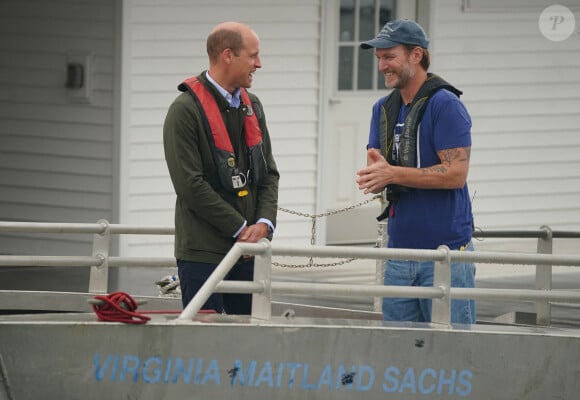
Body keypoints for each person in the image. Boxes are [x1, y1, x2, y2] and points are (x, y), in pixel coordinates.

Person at [356, 19, 476, 324]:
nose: (382, 65)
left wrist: (392, 174)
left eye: (390, 56)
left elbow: (456, 174)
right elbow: (381, 169)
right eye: (379, 58)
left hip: (445, 254)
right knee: (398, 355)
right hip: (397, 254)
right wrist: (375, 177)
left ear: (416, 55)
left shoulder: (446, 105)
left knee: (453, 354)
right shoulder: (381, 109)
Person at [163, 22, 279, 314]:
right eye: (253, 56)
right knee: (204, 351)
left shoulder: (253, 105)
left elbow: (268, 175)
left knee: (250, 347)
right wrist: (240, 228)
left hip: (248, 254)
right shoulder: (184, 111)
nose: (259, 64)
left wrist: (264, 224)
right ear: (228, 55)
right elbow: (190, 185)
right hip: (203, 253)